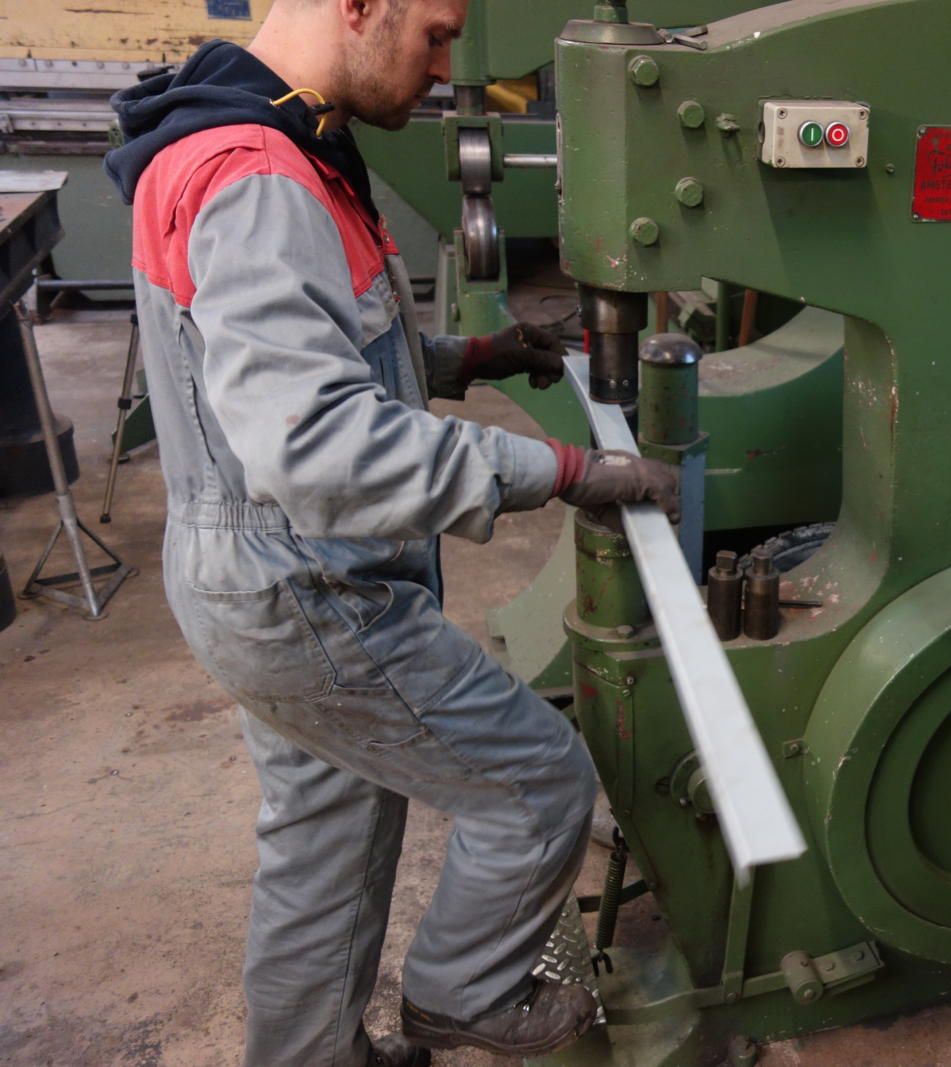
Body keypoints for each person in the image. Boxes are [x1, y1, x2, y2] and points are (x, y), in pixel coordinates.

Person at [104, 0, 678, 1063]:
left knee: (324, 844)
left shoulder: (234, 130)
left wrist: (472, 357)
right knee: (538, 782)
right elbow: (317, 445)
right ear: (359, 6)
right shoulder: (261, 176)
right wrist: (562, 471)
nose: (447, 66)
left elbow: (296, 356)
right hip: (310, 590)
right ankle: (465, 989)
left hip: (246, 570)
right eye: (437, 34)